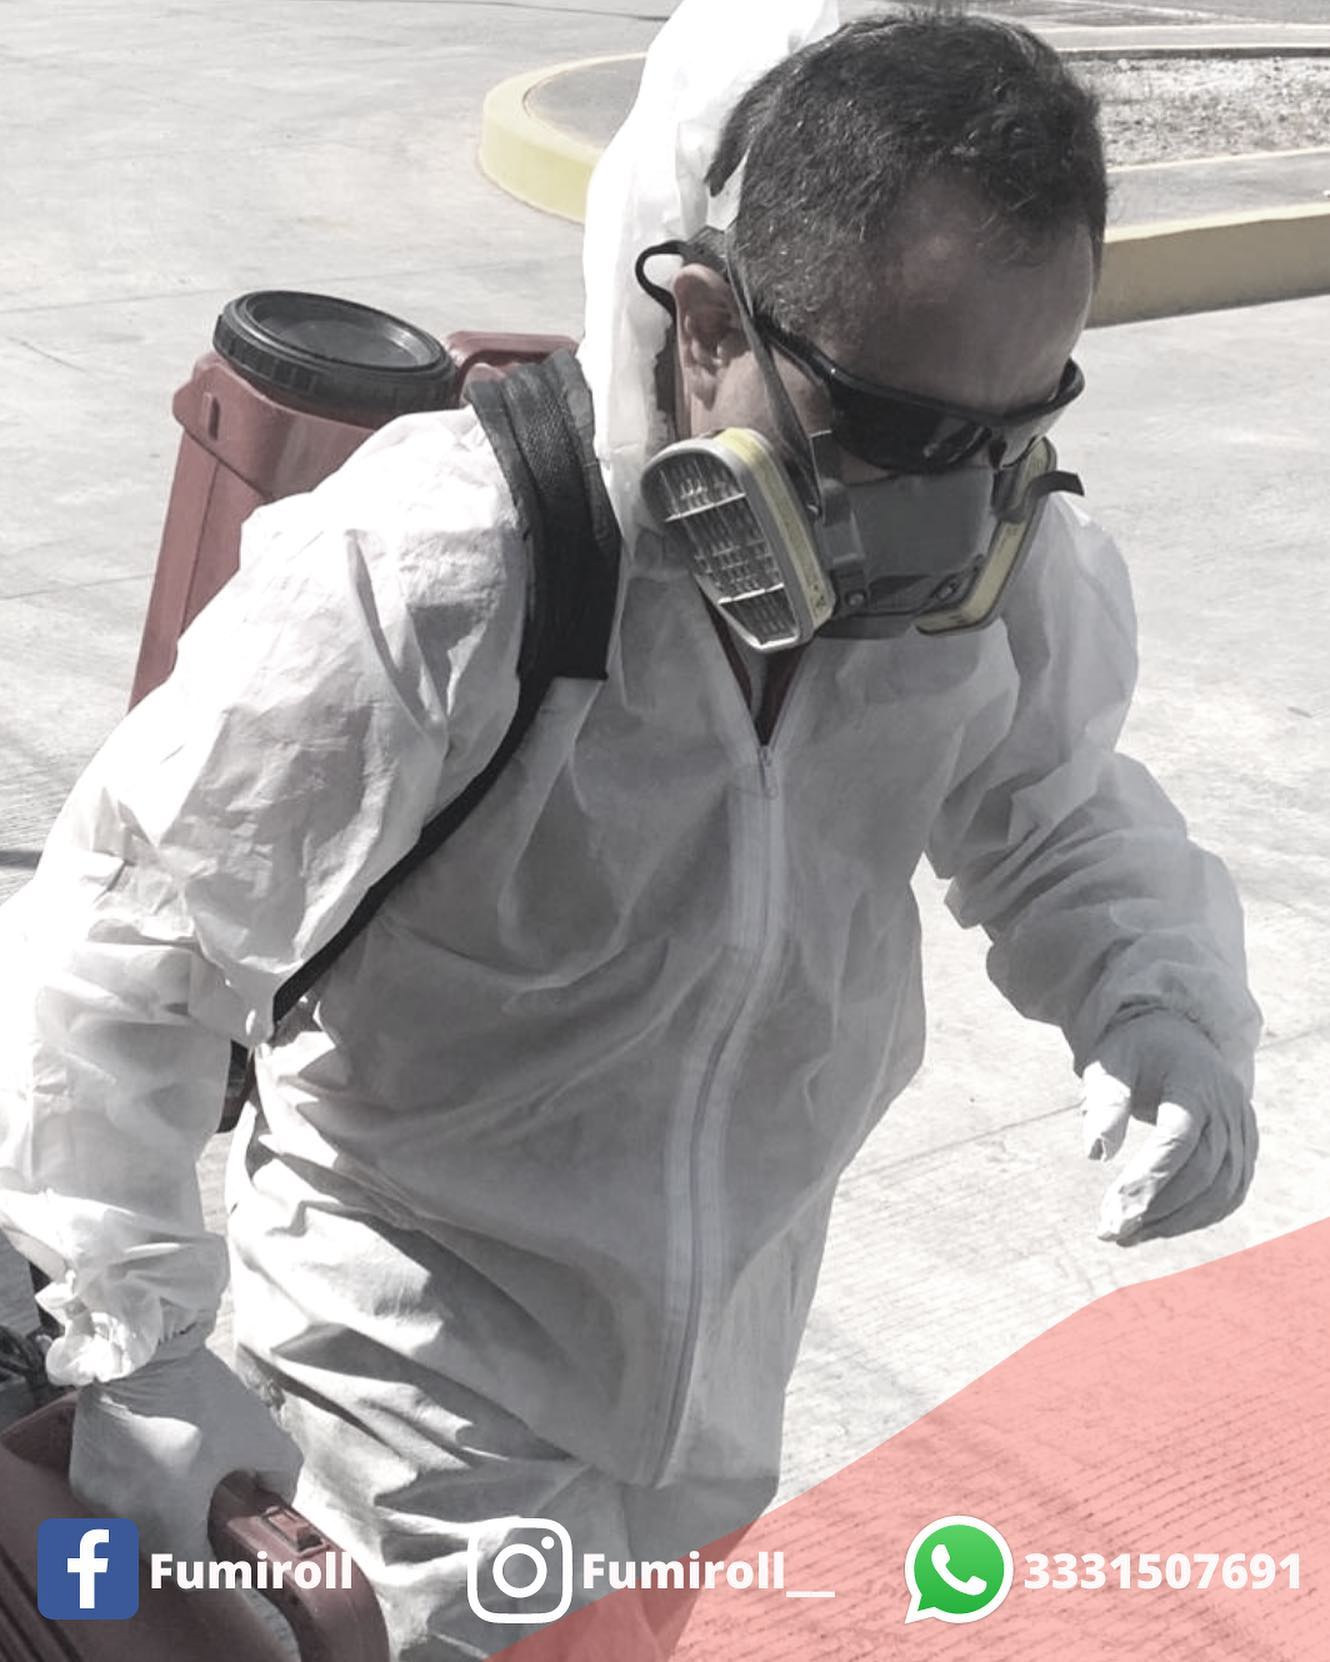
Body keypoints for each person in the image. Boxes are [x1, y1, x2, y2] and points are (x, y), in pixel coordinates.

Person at [0, 5, 1259, 1658]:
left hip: (714, 1393)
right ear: (707, 320)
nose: (948, 517)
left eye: (1003, 434)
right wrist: (143, 1367)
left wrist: (1152, 1002)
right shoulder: (445, 569)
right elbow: (126, 945)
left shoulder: (998, 590)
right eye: (890, 434)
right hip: (406, 1410)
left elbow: (1055, 808)